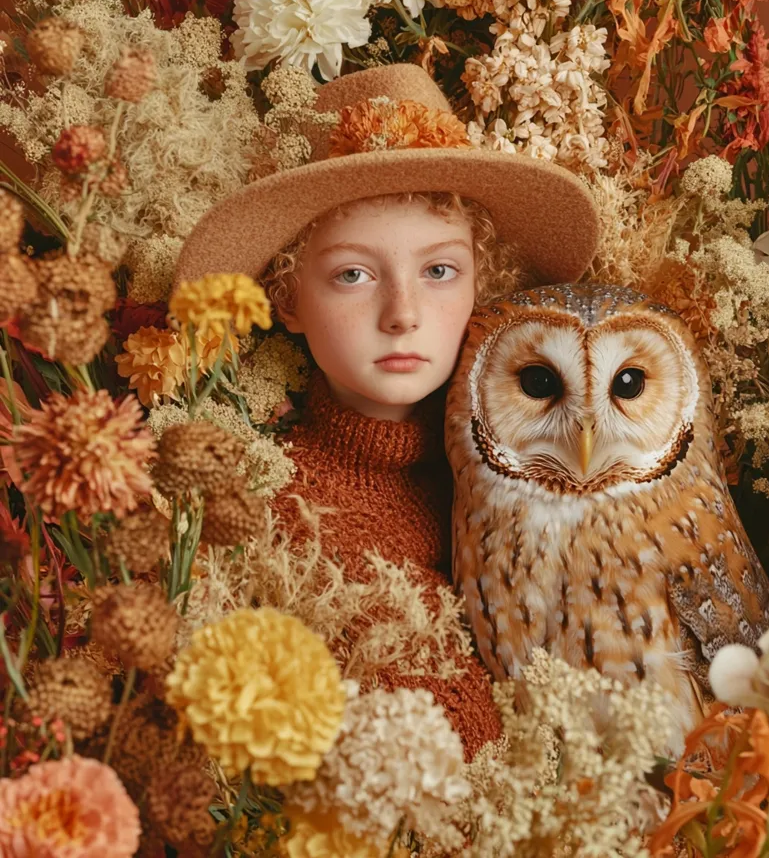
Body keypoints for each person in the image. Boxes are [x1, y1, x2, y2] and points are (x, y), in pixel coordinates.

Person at [174, 64, 599, 759]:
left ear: (481, 282)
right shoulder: (276, 512)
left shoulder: (548, 465)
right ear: (287, 297)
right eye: (353, 274)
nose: (403, 315)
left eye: (439, 271)